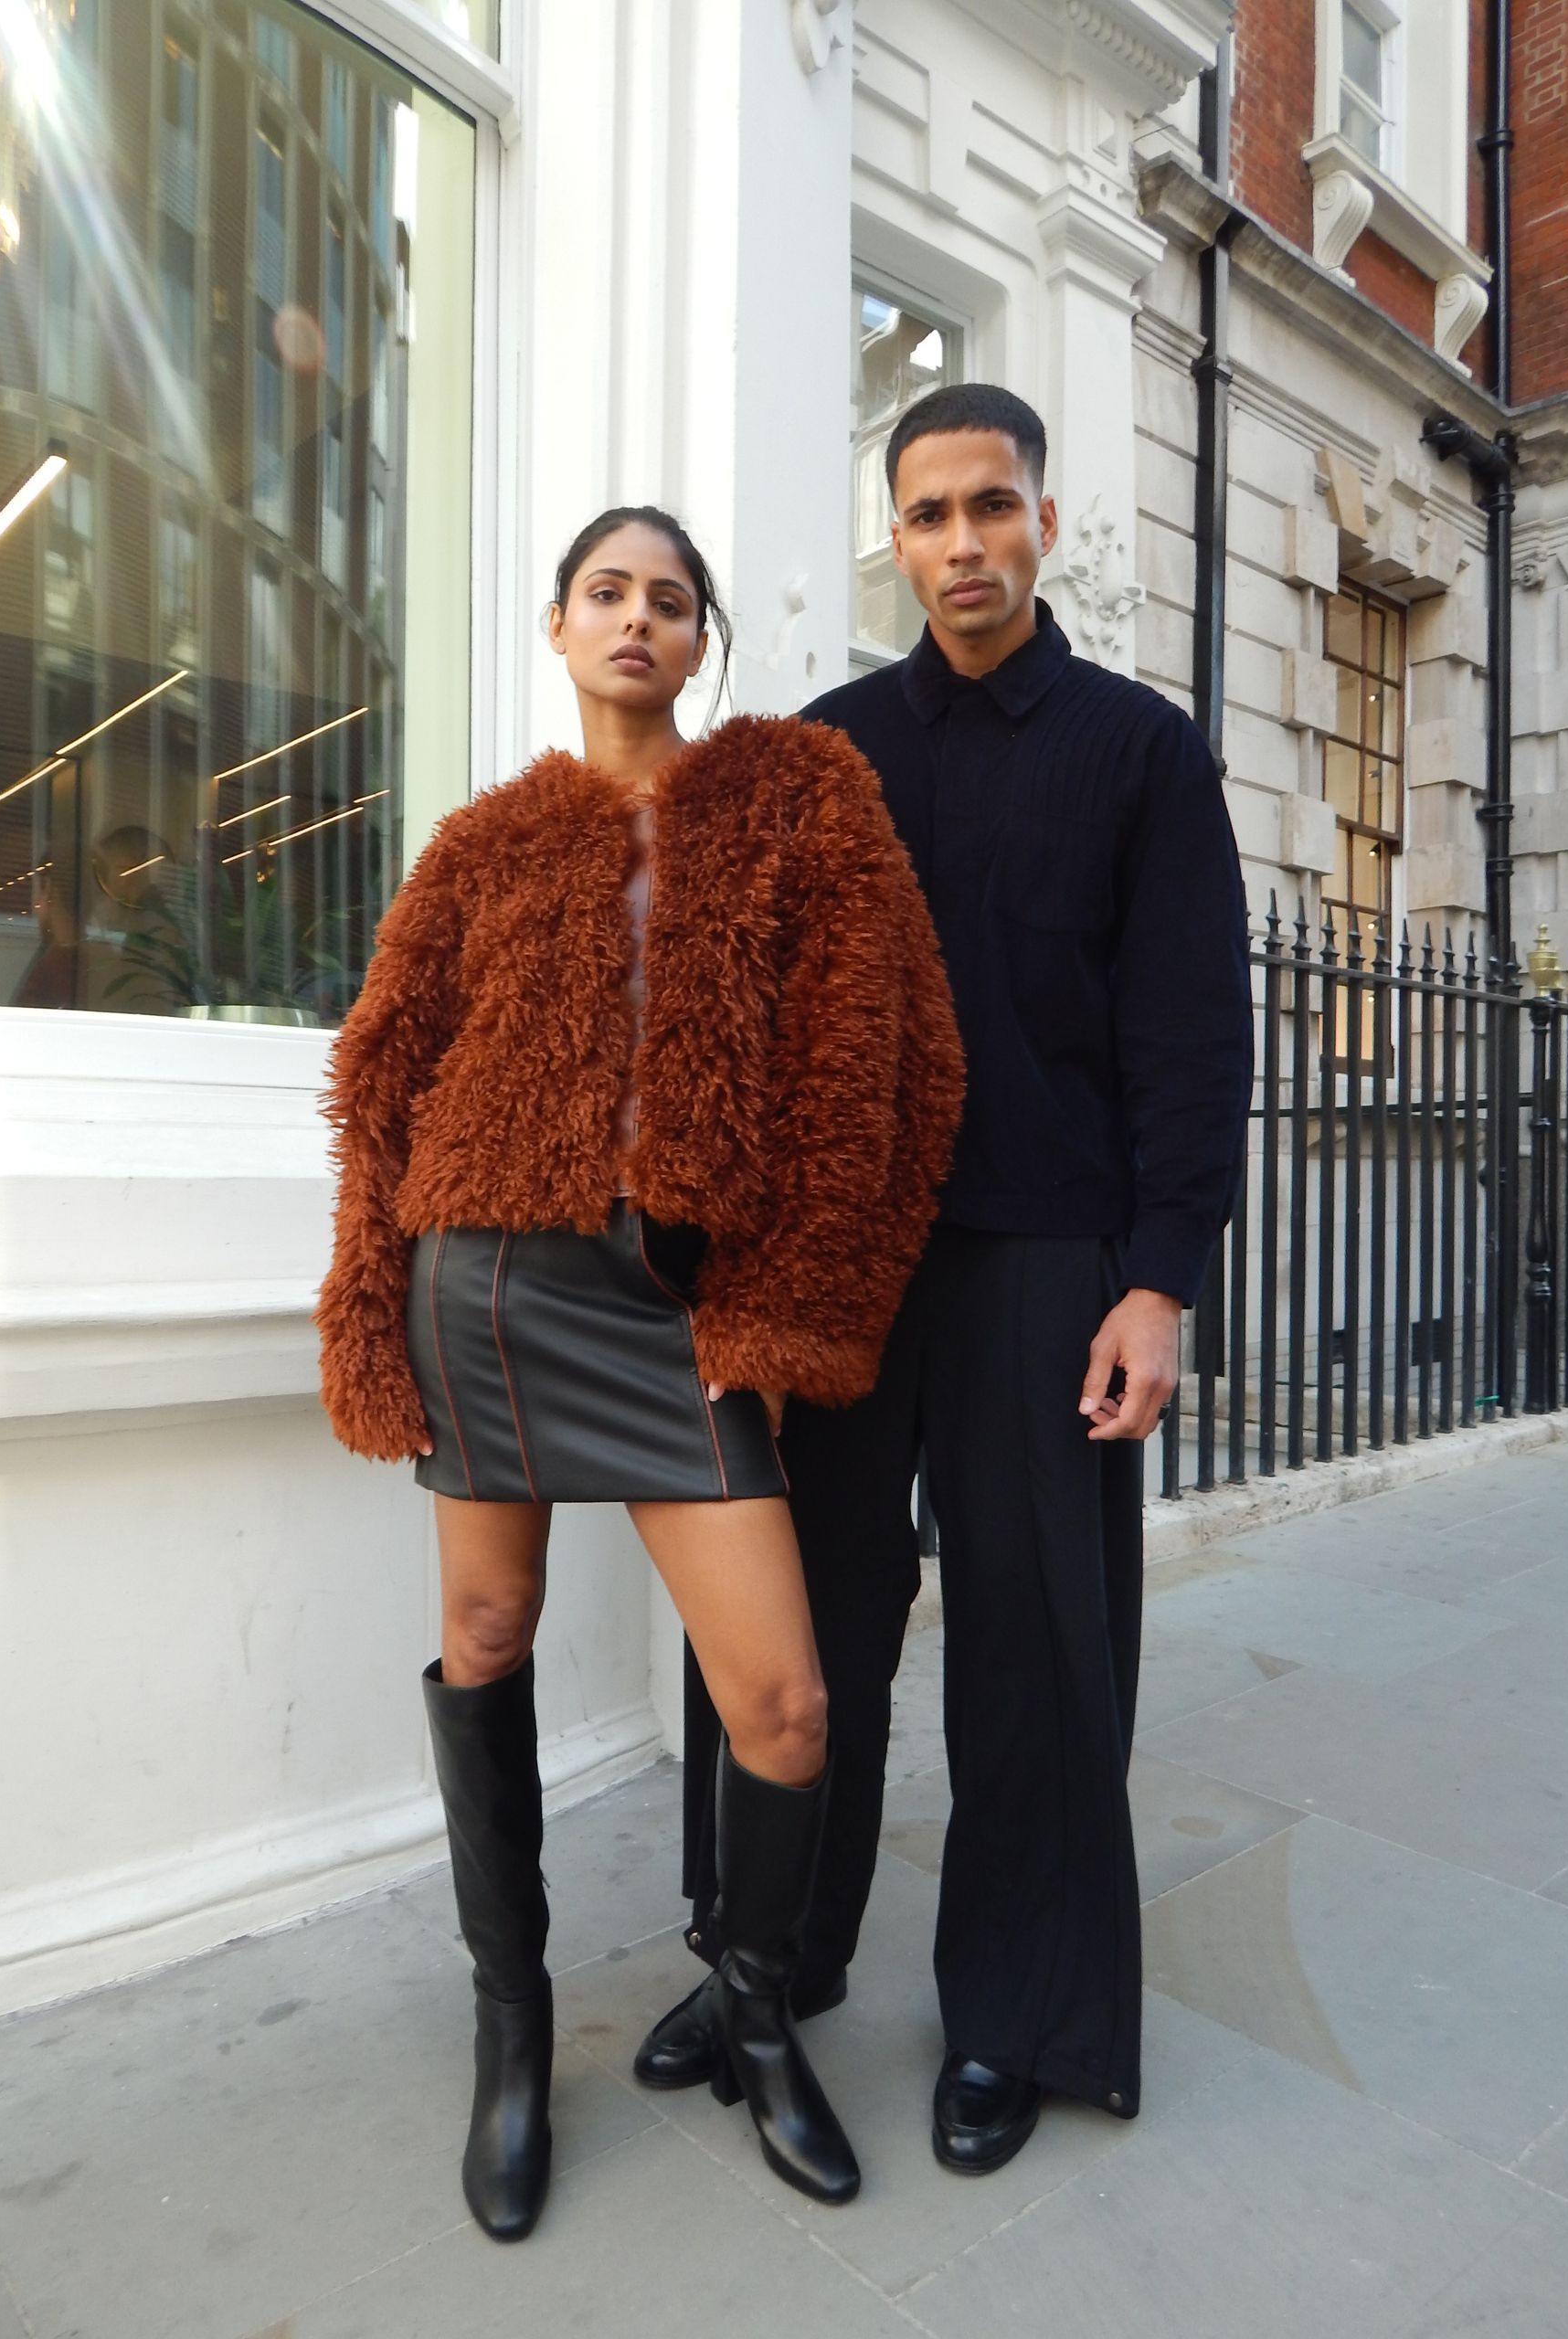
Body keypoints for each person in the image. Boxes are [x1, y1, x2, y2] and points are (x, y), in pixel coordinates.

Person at [315, 504, 963, 2239]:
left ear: (701, 642)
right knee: (485, 1639)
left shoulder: (791, 802)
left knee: (788, 1703)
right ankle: (514, 2027)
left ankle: (755, 2011)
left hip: (671, 1308)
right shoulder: (484, 840)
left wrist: (789, 1292)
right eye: (607, 593)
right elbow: (383, 1073)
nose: (637, 621)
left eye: (670, 602)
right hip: (489, 1286)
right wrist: (373, 1296)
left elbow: (901, 1053)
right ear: (557, 625)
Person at [638, 387, 1254, 2174]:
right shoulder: (818, 754)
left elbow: (1191, 1033)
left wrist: (1162, 1279)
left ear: (1044, 525)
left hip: (1049, 1259)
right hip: (831, 1262)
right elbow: (731, 1020)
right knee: (792, 1624)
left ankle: (1016, 2010)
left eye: (994, 506)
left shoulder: (1141, 755)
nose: (964, 542)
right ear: (891, 537)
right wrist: (695, 1274)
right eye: (928, 514)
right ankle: (768, 1955)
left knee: (1036, 1644)